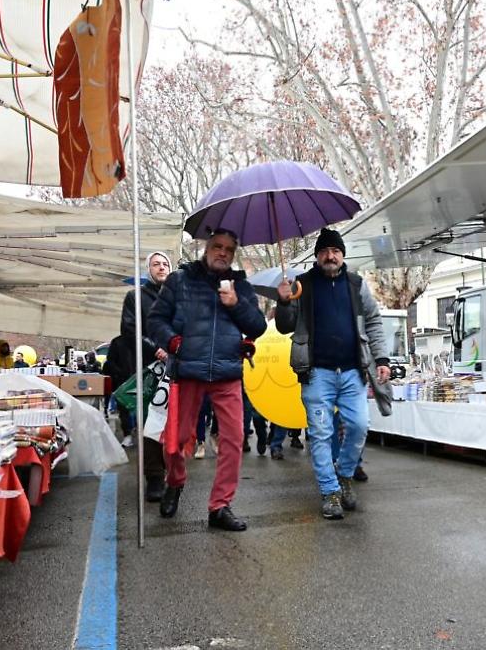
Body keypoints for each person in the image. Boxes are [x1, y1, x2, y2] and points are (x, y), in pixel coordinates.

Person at [148, 229, 266, 531]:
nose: (223, 252)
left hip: (227, 374)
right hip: (187, 372)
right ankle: (174, 481)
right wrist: (173, 342)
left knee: (233, 440)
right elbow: (155, 320)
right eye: (217, 246)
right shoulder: (180, 280)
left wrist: (236, 304)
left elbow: (257, 326)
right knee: (175, 441)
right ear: (206, 247)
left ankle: (220, 506)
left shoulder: (241, 286)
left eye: (229, 248)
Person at [275, 227, 389, 520]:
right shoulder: (302, 284)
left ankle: (345, 474)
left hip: (353, 372)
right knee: (321, 434)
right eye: (325, 251)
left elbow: (374, 322)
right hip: (316, 374)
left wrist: (382, 358)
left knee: (359, 427)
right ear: (316, 256)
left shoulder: (356, 284)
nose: (330, 256)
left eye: (336, 251)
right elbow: (285, 326)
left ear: (342, 255)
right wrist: (285, 301)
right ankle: (330, 492)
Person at [102, 333, 166, 501]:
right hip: (139, 382)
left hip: (168, 375)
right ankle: (155, 475)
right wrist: (122, 375)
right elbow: (110, 363)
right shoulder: (122, 340)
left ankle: (172, 474)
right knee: (147, 423)